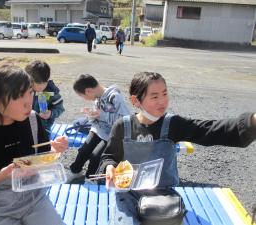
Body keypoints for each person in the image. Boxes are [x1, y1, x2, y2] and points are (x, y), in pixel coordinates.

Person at [96, 72, 256, 225]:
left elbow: (209, 130)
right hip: (128, 194)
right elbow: (109, 157)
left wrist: (251, 122)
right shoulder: (122, 126)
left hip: (163, 195)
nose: (162, 101)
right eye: (155, 96)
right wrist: (110, 167)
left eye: (165, 94)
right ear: (135, 100)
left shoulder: (173, 124)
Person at [0, 63, 69, 225]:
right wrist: (2, 175)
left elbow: (45, 159)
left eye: (30, 93)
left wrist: (55, 150)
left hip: (35, 200)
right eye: (18, 96)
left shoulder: (33, 119)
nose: (28, 103)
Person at [66, 74, 130, 182]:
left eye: (82, 96)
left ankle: (90, 179)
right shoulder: (96, 98)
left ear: (88, 91)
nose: (84, 99)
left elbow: (124, 120)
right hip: (97, 129)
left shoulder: (114, 97)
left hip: (111, 134)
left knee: (96, 156)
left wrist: (101, 115)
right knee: (84, 150)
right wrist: (91, 116)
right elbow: (97, 117)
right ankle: (75, 171)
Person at [25, 60, 65, 133]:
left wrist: (50, 113)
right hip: (25, 126)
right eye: (38, 83)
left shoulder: (51, 92)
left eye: (44, 83)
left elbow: (60, 108)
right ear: (30, 80)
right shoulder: (24, 90)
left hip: (43, 128)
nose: (41, 86)